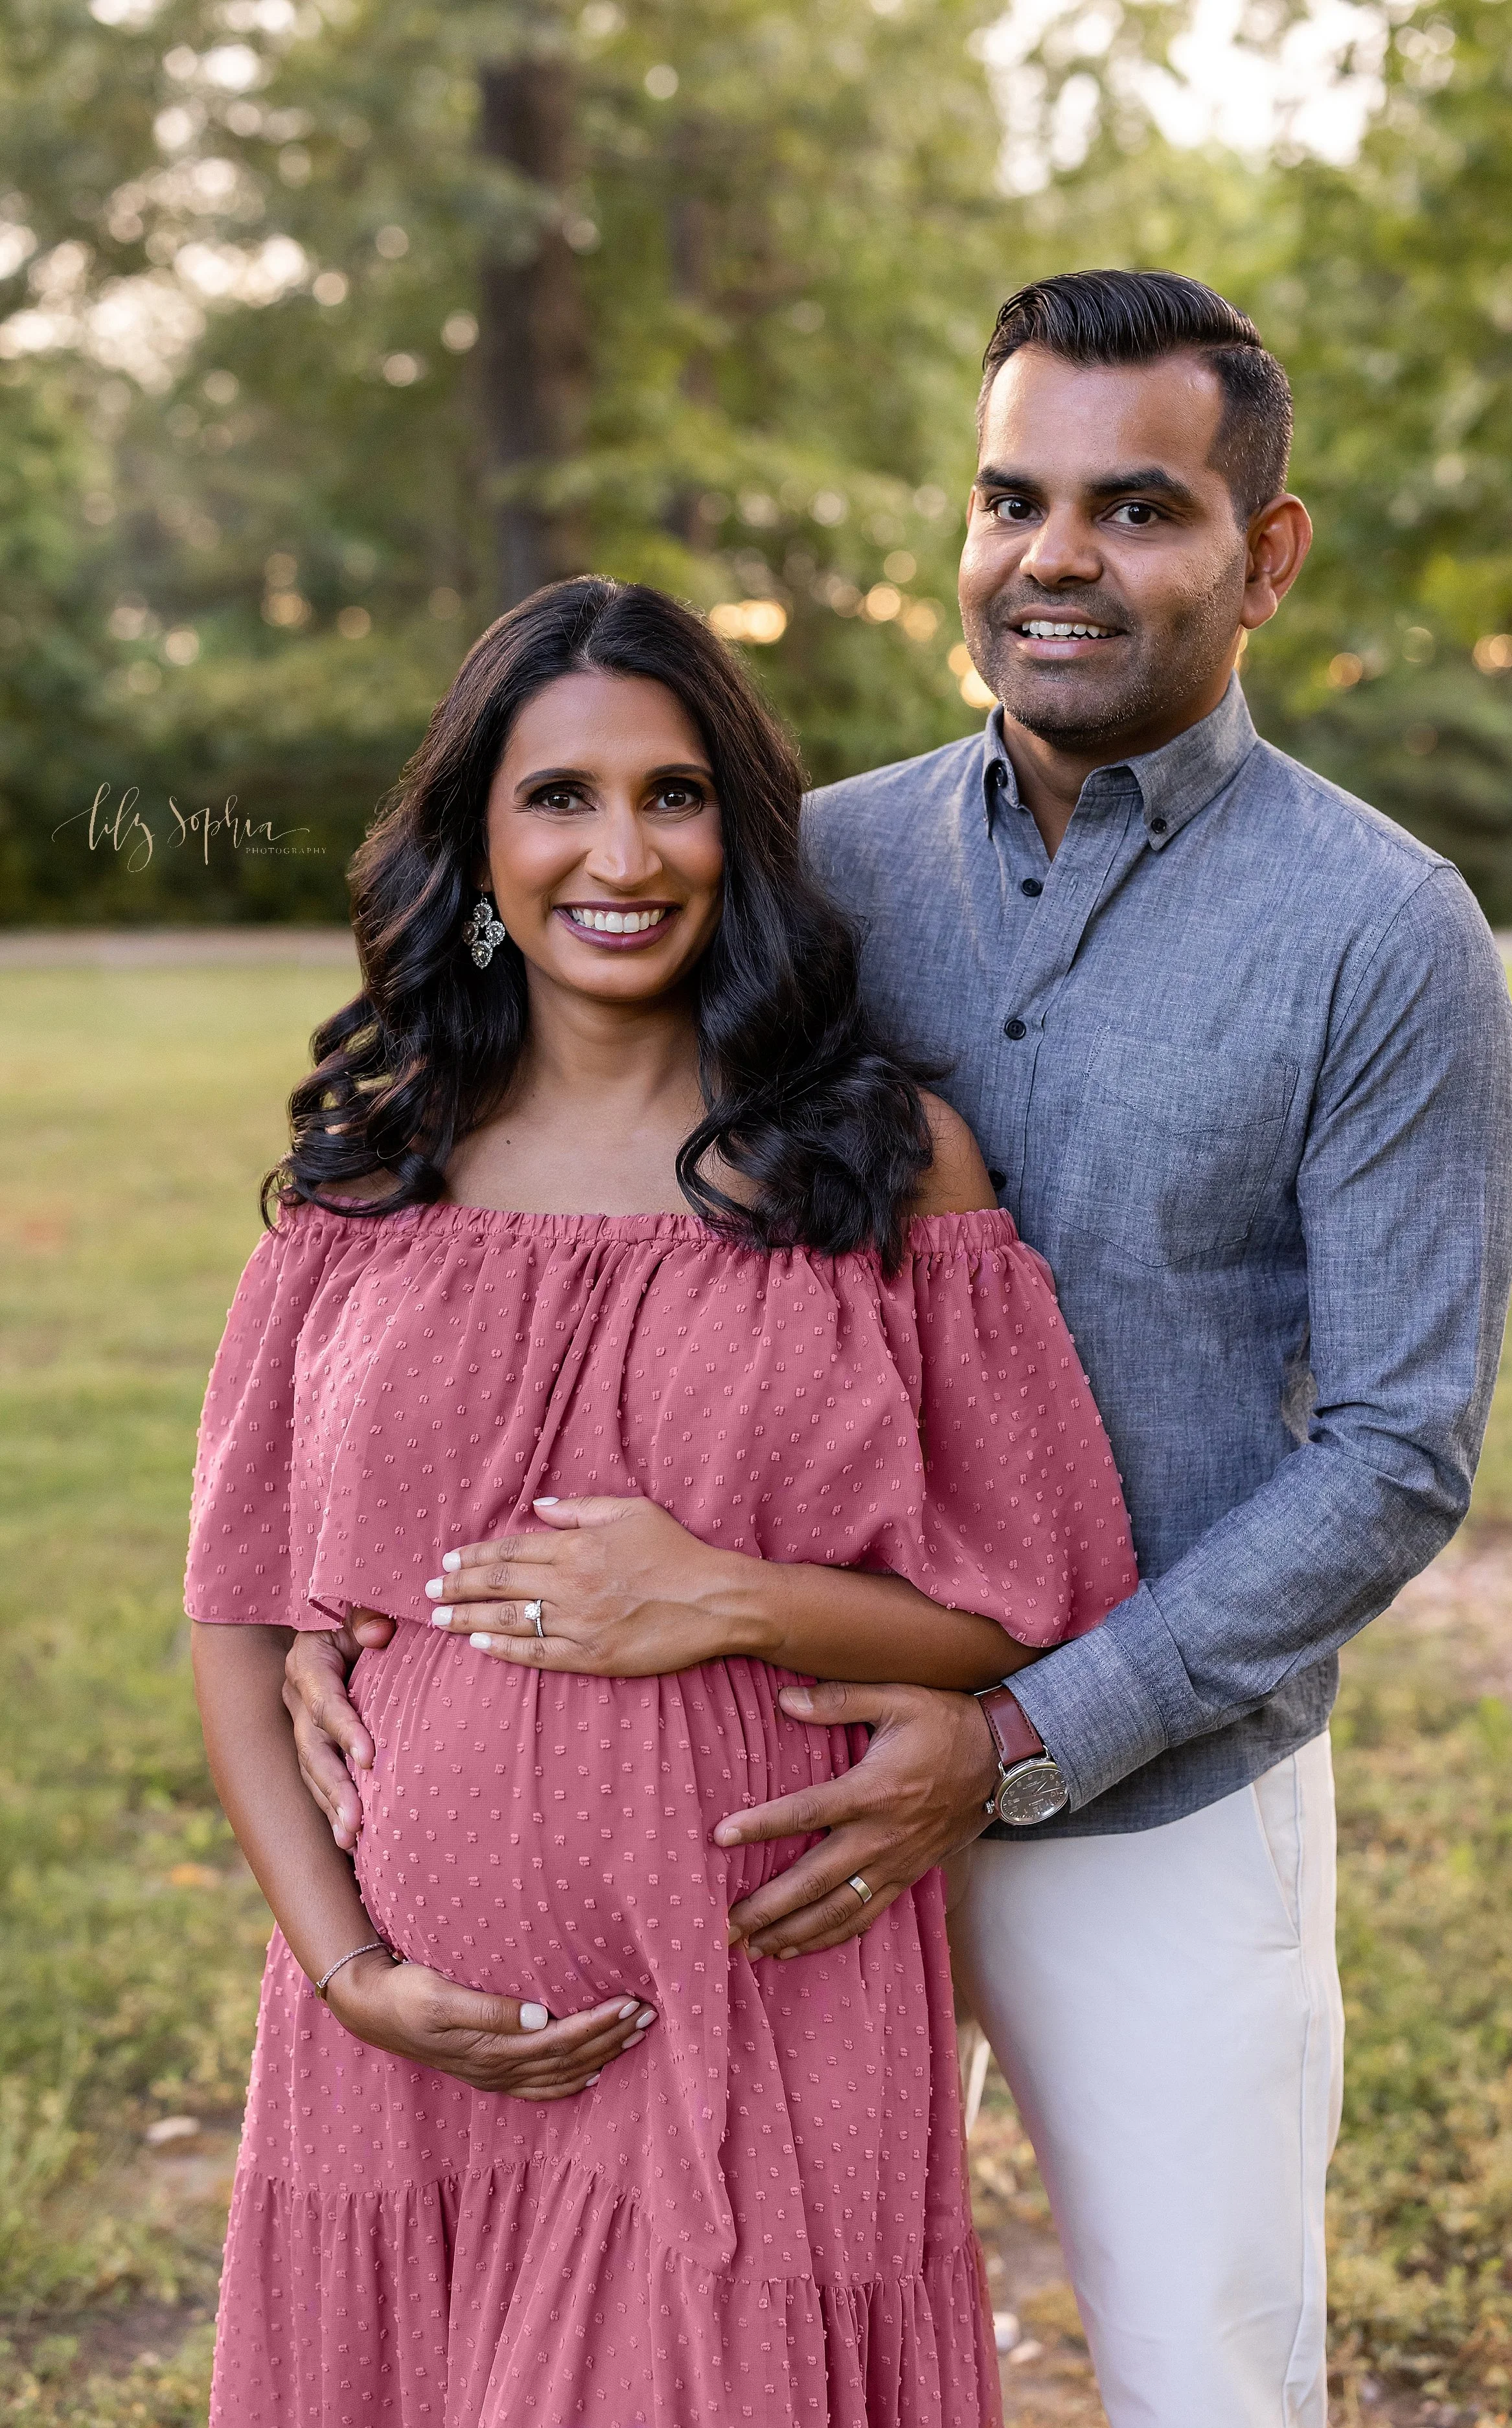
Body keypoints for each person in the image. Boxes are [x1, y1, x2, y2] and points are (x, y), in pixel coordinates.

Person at [290, 270, 1512, 2427]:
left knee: (1201, 2372)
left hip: (1154, 1793)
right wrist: (362, 1606)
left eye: (1135, 508)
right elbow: (557, 1223)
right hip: (753, 1805)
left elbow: (1400, 1450)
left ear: (1266, 553)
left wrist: (1031, 1726)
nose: (1054, 557)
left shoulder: (1378, 932)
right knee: (757, 2350)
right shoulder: (812, 868)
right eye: (1009, 496)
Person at [186, 574, 1140, 2428]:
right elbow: (235, 1614)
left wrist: (735, 1594)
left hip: (764, 2022)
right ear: (475, 836)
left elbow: (1039, 1594)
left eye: (672, 792)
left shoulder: (874, 1163)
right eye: (559, 795)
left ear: (741, 833)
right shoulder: (370, 1178)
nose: (619, 850)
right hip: (411, 2057)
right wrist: (353, 1968)